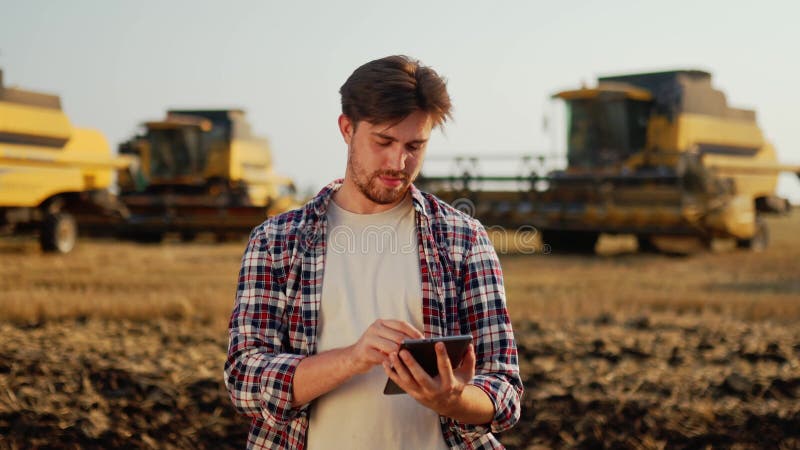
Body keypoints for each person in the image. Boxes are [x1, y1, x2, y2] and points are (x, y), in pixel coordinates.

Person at [224, 55, 522, 449]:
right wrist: (353, 357)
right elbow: (245, 380)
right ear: (347, 128)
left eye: (414, 146)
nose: (398, 162)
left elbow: (503, 388)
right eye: (383, 141)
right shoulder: (276, 241)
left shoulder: (463, 238)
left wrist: (452, 400)